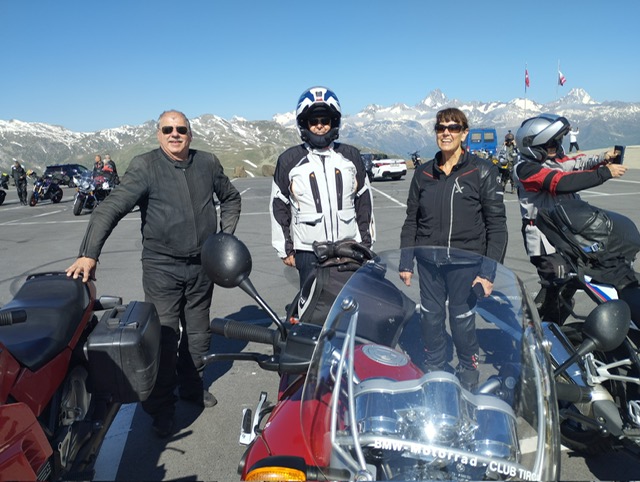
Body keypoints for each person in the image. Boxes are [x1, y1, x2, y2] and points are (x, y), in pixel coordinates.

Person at [66, 110, 242, 438]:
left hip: (202, 266)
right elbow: (110, 208)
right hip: (162, 268)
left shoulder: (207, 163)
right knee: (164, 337)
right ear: (159, 134)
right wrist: (89, 253)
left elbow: (230, 198)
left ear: (190, 134)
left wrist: (224, 238)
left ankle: (192, 387)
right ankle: (161, 408)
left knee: (199, 335)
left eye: (181, 129)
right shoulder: (146, 166)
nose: (175, 134)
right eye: (168, 129)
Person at [399, 107, 508, 391]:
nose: (446, 133)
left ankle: (469, 374)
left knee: (462, 324)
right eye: (441, 127)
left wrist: (488, 272)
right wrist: (406, 261)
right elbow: (412, 220)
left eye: (453, 127)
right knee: (430, 322)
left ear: (464, 133)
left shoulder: (481, 171)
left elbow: (497, 226)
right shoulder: (423, 173)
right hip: (429, 264)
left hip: (466, 264)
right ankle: (435, 371)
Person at [513, 113, 626, 323]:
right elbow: (560, 182)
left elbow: (575, 163)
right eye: (551, 144)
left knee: (571, 283)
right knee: (558, 281)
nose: (556, 147)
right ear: (533, 145)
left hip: (566, 235)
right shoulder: (525, 169)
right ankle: (536, 329)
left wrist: (603, 157)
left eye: (557, 142)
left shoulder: (552, 160)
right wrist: (604, 173)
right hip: (544, 239)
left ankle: (544, 323)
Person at [270, 86, 375, 289]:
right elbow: (278, 205)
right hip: (308, 252)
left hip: (348, 248)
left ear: (333, 122)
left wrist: (366, 243)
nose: (320, 126)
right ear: (304, 123)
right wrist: (285, 249)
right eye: (314, 121)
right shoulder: (289, 160)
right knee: (313, 305)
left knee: (350, 303)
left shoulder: (351, 156)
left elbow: (364, 201)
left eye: (325, 120)